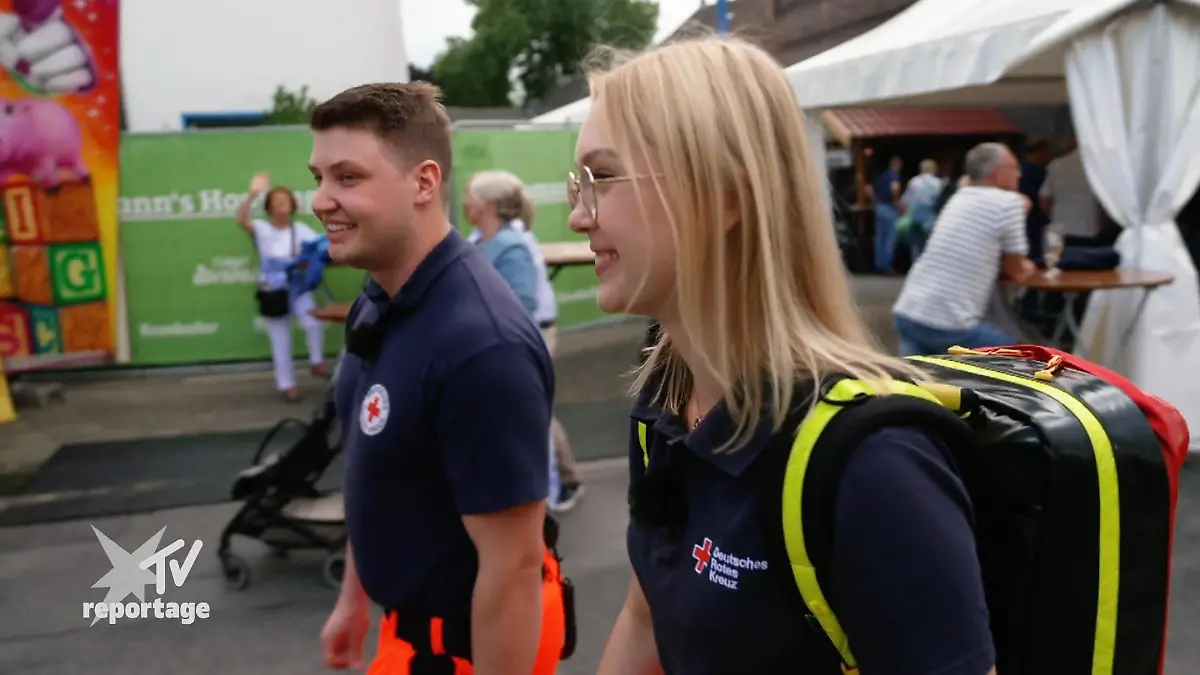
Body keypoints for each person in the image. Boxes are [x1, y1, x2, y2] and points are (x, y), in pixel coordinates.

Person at [570, 37, 996, 675]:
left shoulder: (874, 467)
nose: (579, 215)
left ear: (725, 196)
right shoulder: (664, 406)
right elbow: (646, 617)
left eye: (603, 177)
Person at [311, 83, 566, 675]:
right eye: (318, 177)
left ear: (424, 182)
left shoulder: (481, 346)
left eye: (347, 178)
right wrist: (354, 599)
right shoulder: (378, 300)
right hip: (405, 635)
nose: (320, 199)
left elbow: (514, 571)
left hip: (466, 652)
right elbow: (375, 469)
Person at [464, 170, 586, 511]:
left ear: (485, 204)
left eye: (469, 197)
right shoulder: (482, 239)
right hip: (509, 338)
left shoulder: (510, 244)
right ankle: (560, 480)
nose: (464, 204)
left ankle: (557, 485)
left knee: (530, 411)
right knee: (532, 410)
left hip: (524, 337)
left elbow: (520, 306)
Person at [892, 143, 1036, 356]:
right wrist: (1028, 266)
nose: (1019, 174)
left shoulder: (960, 197)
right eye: (1014, 167)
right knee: (1027, 360)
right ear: (997, 173)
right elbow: (1014, 268)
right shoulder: (1009, 202)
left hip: (909, 310)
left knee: (920, 384)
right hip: (949, 323)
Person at [235, 173, 329, 402]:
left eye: (285, 201)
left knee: (313, 322)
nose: (282, 205)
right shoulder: (261, 228)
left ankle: (316, 362)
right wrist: (252, 195)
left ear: (292, 205)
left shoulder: (300, 229)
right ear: (268, 207)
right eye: (276, 202)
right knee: (281, 340)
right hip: (274, 290)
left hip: (297, 286)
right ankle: (287, 385)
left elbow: (319, 246)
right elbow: (241, 220)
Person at [899, 158, 945, 262]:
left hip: (915, 212)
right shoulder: (938, 183)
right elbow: (940, 200)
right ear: (934, 169)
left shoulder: (914, 181)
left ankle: (915, 264)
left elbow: (906, 199)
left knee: (915, 243)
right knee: (930, 243)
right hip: (930, 213)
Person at [868, 156, 903, 274]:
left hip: (879, 207)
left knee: (880, 238)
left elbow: (868, 188)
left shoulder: (881, 176)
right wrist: (897, 202)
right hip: (889, 207)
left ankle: (879, 265)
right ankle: (887, 266)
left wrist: (874, 200)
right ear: (897, 165)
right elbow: (895, 188)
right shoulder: (894, 174)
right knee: (890, 238)